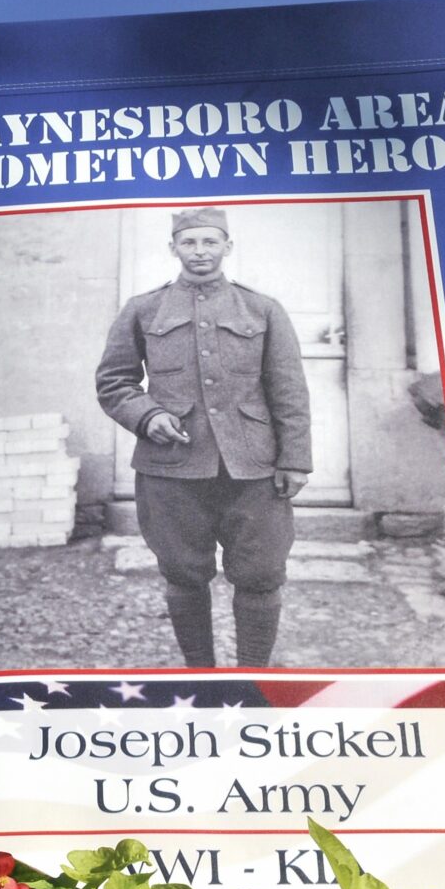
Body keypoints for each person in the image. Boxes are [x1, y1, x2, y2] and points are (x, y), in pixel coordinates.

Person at [95, 207, 312, 668]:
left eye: (210, 242)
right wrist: (147, 415)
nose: (199, 252)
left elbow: (289, 390)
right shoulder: (143, 309)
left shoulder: (262, 309)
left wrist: (295, 459)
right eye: (189, 242)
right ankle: (201, 673)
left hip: (253, 467)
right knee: (183, 573)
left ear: (227, 247)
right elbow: (115, 381)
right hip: (172, 467)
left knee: (261, 574)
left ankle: (254, 675)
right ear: (173, 247)